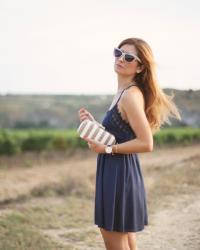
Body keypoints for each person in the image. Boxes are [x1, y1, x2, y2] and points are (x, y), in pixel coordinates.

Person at [78, 37, 181, 250]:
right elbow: (122, 133)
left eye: (128, 57)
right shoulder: (123, 93)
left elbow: (146, 143)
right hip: (118, 171)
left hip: (119, 174)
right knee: (125, 241)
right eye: (118, 53)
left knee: (114, 239)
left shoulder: (130, 96)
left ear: (140, 67)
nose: (120, 59)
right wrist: (96, 126)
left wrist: (105, 148)